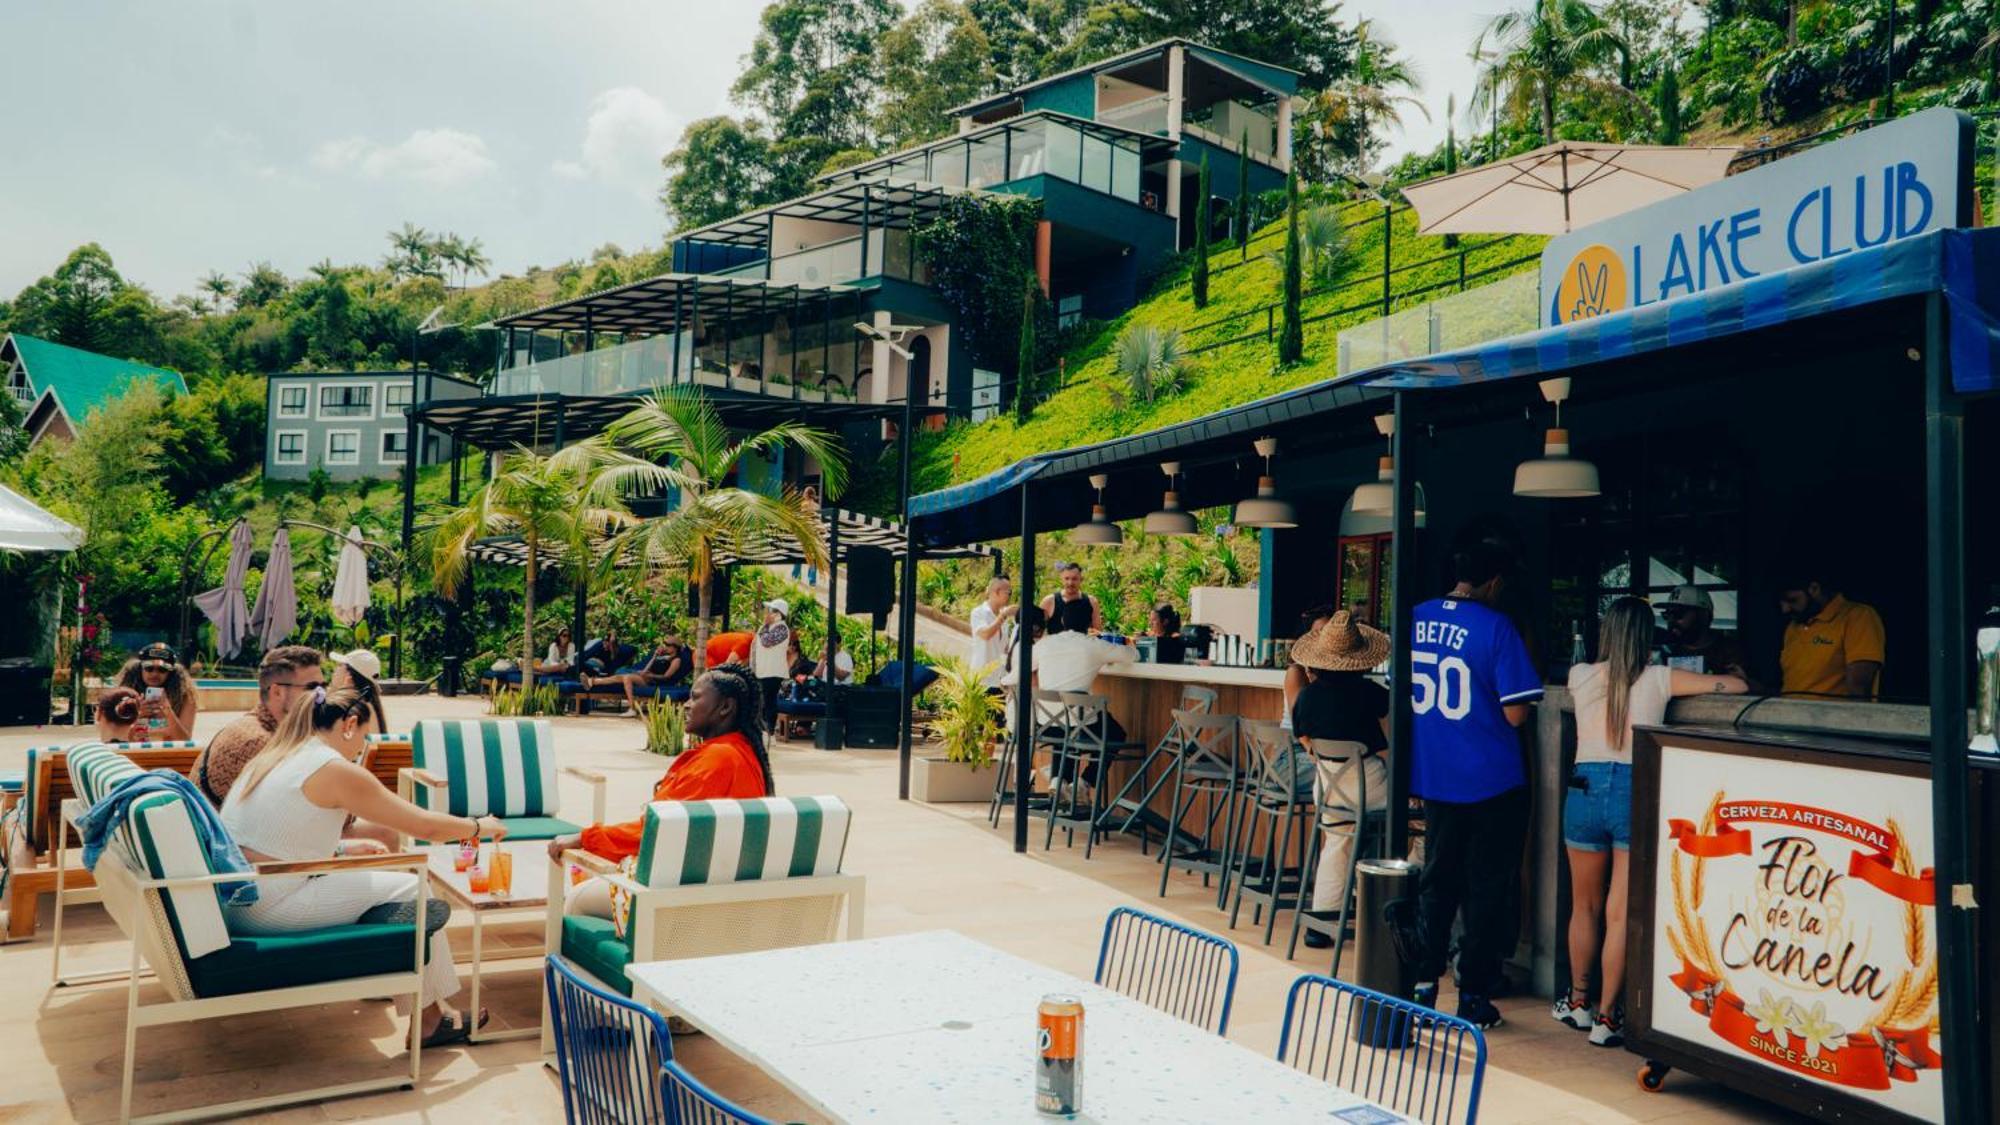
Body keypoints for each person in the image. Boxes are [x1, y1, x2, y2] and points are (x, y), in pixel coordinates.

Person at [221, 685, 504, 1047]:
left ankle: (408, 990)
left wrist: (341, 849)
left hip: (243, 898)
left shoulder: (277, 756)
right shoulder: (332, 768)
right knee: (413, 886)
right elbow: (425, 826)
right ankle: (431, 1019)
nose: (362, 748)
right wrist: (480, 827)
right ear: (349, 724)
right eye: (365, 737)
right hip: (270, 907)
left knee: (391, 883)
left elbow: (274, 837)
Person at [1559, 597, 1746, 1047]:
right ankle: (1607, 1020)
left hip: (1584, 787)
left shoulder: (1579, 676)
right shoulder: (1661, 679)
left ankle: (1579, 1003)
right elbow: (1735, 689)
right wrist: (1736, 674)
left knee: (1583, 906)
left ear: (1607, 635)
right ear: (1648, 637)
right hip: (1631, 788)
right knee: (1620, 913)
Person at [1403, 541, 1543, 1030]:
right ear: (1495, 583)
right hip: (1491, 780)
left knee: (1437, 881)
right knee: (1485, 889)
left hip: (1435, 775)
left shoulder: (1414, 616)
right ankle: (1473, 996)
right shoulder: (1497, 625)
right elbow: (1516, 711)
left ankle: (1422, 982)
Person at [550, 667, 776, 917]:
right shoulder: (745, 754)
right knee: (590, 876)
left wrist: (586, 838)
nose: (687, 705)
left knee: (575, 901)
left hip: (680, 896)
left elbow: (655, 833)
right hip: (720, 889)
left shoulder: (716, 761)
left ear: (725, 707)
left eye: (696, 697)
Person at [1287, 612, 1391, 950]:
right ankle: (1393, 907)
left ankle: (1321, 924)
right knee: (1421, 825)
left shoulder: (1307, 696)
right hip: (1369, 788)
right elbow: (1389, 739)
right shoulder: (1369, 693)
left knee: (1337, 843)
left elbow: (1303, 738)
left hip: (1328, 786)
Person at [192, 645, 325, 806]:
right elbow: (311, 807)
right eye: (312, 688)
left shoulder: (268, 730)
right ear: (277, 692)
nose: (321, 696)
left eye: (323, 687)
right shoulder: (257, 743)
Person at [1001, 605, 1136, 743]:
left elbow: (1014, 676)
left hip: (1046, 724)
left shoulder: (1045, 644)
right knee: (1116, 735)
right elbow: (1132, 656)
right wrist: (1130, 643)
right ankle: (1092, 766)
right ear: (1089, 624)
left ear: (1062, 621)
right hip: (1076, 726)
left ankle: (1064, 764)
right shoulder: (1095, 645)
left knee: (1070, 729)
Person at [1778, 571, 1885, 699]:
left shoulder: (1858, 617)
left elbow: (1859, 688)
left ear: (1814, 589)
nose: (1785, 609)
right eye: (1781, 602)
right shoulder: (1793, 626)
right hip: (1787, 716)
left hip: (1833, 717)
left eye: (1792, 600)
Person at [96, 642, 199, 743]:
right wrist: (138, 716)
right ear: (140, 668)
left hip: (167, 756)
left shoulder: (185, 696)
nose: (155, 674)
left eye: (162, 669)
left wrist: (168, 712)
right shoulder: (124, 695)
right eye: (149, 668)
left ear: (171, 672)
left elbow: (185, 741)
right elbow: (115, 738)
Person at [1656, 586, 1748, 680]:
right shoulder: (1664, 649)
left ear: (1703, 616)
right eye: (1667, 615)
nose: (1671, 621)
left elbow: (1757, 686)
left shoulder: (1728, 650)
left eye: (1678, 614)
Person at [590, 636, 691, 711]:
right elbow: (647, 668)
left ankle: (632, 708)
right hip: (646, 677)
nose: (666, 647)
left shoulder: (676, 660)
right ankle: (593, 681)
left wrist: (651, 675)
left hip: (653, 682)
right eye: (665, 644)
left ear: (675, 647)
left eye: (668, 645)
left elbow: (666, 676)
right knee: (620, 676)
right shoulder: (664, 657)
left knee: (626, 678)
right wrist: (654, 656)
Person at [1282, 605, 1337, 726]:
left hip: (1322, 741)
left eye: (1329, 632)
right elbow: (1299, 723)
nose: (1324, 638)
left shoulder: (1334, 669)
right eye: (1319, 632)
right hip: (1294, 741)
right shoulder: (1297, 670)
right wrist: (1312, 746)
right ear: (1307, 637)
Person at [968, 577, 1017, 687]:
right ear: (997, 592)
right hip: (981, 680)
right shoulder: (978, 612)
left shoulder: (1002, 617)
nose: (1010, 596)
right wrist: (1003, 615)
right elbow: (985, 634)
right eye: (1009, 592)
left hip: (999, 679)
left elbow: (1004, 648)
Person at [752, 598, 793, 730]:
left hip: (773, 671)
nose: (768, 613)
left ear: (778, 614)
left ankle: (769, 729)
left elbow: (767, 642)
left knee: (769, 701)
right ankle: (763, 728)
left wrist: (765, 626)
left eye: (771, 610)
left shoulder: (782, 628)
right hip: (764, 671)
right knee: (763, 701)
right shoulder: (770, 627)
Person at [1039, 561, 1102, 636]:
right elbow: (1036, 631)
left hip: (1083, 645)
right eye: (1067, 578)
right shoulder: (1049, 602)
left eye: (1074, 579)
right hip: (1056, 646)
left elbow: (1098, 633)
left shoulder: (1092, 602)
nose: (1070, 583)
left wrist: (1096, 634)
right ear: (1061, 579)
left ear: (1081, 579)